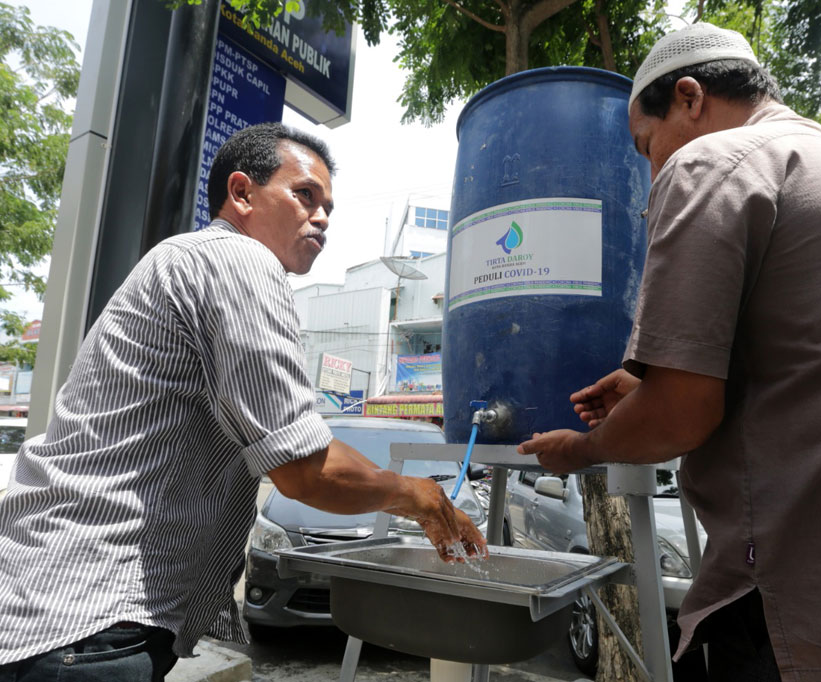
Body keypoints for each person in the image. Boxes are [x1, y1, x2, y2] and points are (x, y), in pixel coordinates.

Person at [517, 23, 821, 682]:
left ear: (690, 98)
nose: (653, 168)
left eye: (647, 145)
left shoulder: (712, 161)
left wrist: (580, 450)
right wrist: (651, 383)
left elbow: (681, 416)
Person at [0, 122, 486, 681]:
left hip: (59, 603)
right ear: (242, 193)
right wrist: (418, 496)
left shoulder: (190, 260)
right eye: (305, 195)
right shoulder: (240, 262)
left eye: (329, 205)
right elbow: (306, 471)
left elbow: (301, 443)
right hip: (83, 620)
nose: (322, 216)